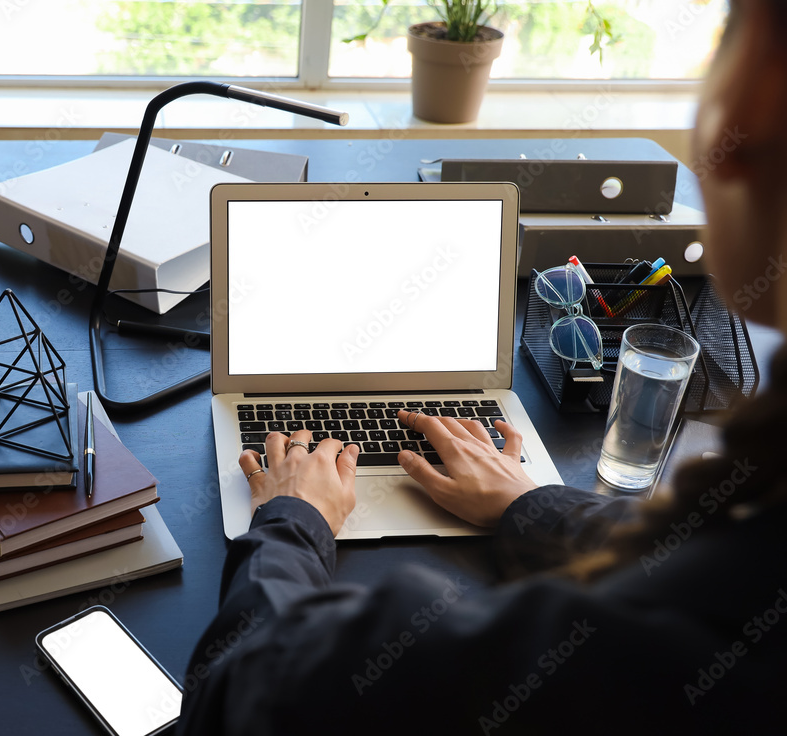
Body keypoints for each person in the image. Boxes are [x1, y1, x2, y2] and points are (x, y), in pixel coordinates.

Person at [176, 1, 787, 732]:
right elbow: (678, 562)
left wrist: (292, 519)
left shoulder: (617, 648)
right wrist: (533, 506)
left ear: (753, 101)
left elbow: (241, 691)